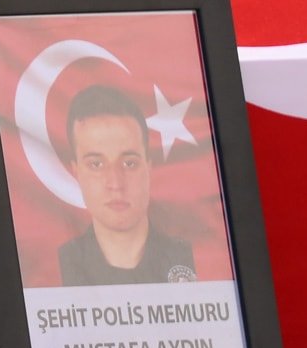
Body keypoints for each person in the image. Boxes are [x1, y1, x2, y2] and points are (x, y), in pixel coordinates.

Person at [48, 82, 213, 287]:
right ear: (77, 172)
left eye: (129, 163)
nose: (115, 183)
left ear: (148, 168)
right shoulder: (56, 269)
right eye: (96, 164)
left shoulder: (194, 259)